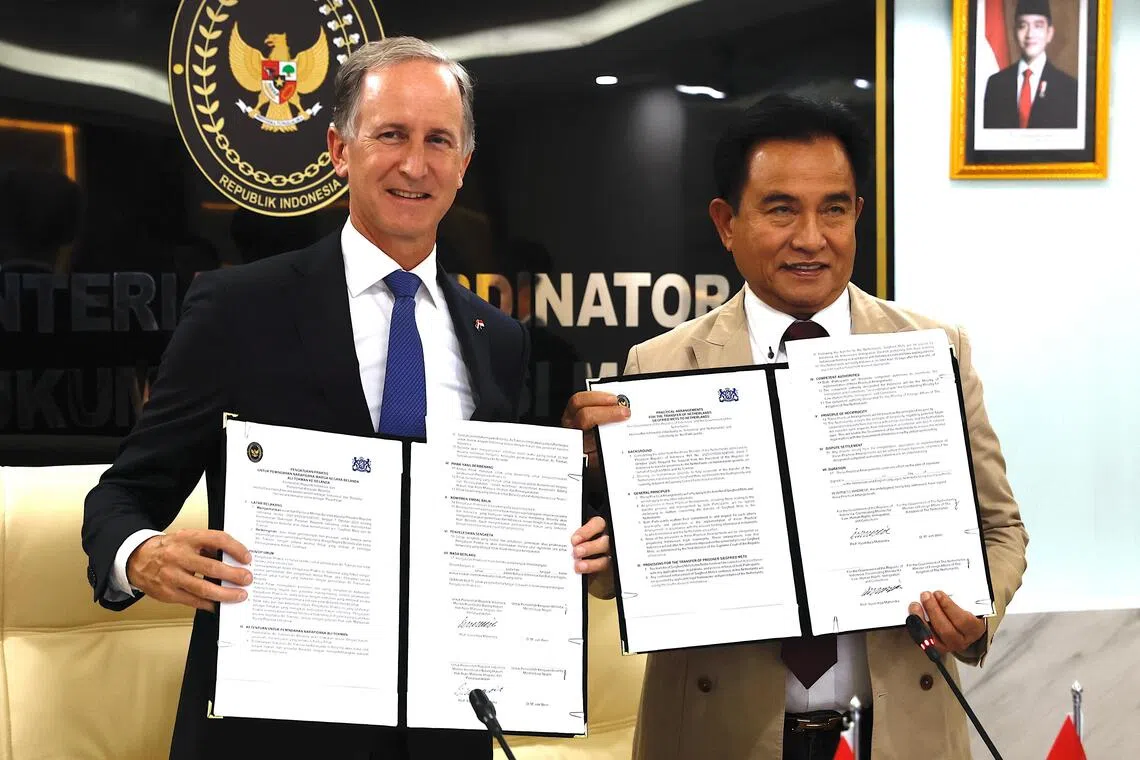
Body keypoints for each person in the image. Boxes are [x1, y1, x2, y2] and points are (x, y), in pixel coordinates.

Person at [82, 37, 533, 760]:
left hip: (441, 732)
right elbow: (121, 496)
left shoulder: (500, 338)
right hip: (272, 731)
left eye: (438, 141)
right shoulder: (238, 307)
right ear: (338, 149)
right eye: (390, 135)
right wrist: (141, 557)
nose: (414, 164)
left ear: (462, 166)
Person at [565, 94, 1028, 759]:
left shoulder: (933, 350)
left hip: (898, 734)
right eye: (781, 209)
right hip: (717, 732)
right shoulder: (660, 364)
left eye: (834, 208)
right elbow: (616, 576)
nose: (812, 237)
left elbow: (1001, 528)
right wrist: (601, 525)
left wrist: (976, 613)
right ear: (726, 223)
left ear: (858, 215)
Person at [983, 0, 1078, 129]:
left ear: (1049, 33)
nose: (1030, 34)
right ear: (1014, 32)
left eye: (1038, 26)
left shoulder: (1068, 88)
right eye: (1023, 26)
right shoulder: (996, 84)